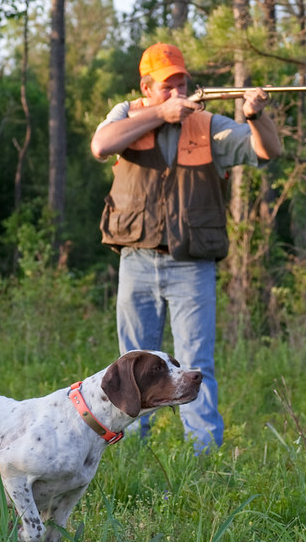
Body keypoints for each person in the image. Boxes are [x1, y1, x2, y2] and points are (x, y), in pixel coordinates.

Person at [90, 43, 282, 454]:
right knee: (129, 364)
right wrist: (159, 114)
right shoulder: (125, 114)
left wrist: (256, 115)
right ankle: (128, 451)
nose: (179, 91)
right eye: (167, 85)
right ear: (146, 86)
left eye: (182, 82)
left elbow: (267, 151)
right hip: (136, 260)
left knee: (197, 365)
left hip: (191, 266)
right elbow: (101, 145)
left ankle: (204, 456)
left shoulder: (209, 124)